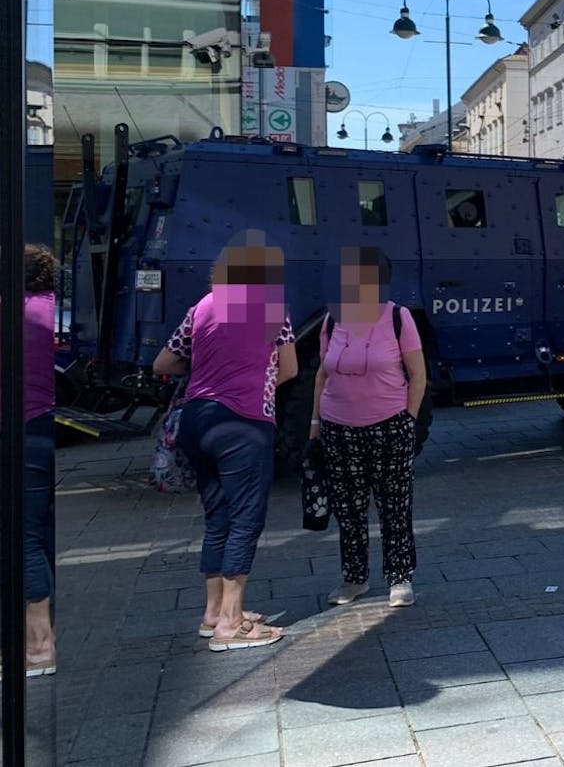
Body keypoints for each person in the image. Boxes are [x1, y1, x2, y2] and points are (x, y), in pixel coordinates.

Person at [153, 232, 296, 651]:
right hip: (245, 423)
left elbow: (164, 361)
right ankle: (231, 624)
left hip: (197, 421)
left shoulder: (202, 307)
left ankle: (212, 613)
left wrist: (208, 369)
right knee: (245, 518)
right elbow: (288, 369)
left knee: (216, 514)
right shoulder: (272, 307)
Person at [312, 247, 427, 608]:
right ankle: (355, 579)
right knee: (348, 508)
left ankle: (400, 578)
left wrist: (408, 419)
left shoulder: (397, 317)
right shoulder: (332, 320)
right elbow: (321, 375)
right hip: (338, 428)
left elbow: (418, 374)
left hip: (389, 426)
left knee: (394, 504)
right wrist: (315, 425)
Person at [9, 246, 58, 676]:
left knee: (22, 537)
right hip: (45, 426)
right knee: (39, 533)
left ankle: (38, 644)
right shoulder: (52, 309)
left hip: (21, 423)